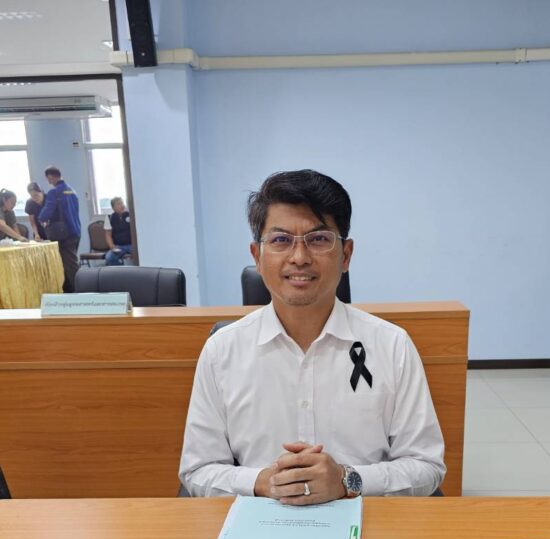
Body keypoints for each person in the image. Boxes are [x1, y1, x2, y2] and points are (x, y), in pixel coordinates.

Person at [179, 169, 446, 502]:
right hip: (257, 521)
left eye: (318, 239)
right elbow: (198, 469)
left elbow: (425, 466)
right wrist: (260, 482)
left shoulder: (391, 345)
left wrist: (347, 480)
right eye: (280, 240)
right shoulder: (222, 350)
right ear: (257, 257)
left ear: (346, 255)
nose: (299, 258)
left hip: (367, 518)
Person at [38, 166, 81, 292]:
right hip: (75, 231)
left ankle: (80, 291)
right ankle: (69, 290)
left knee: (70, 266)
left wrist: (41, 219)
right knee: (70, 262)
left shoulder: (54, 192)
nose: (48, 181)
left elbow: (47, 211)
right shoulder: (72, 191)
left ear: (51, 177)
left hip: (63, 234)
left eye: (48, 178)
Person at [103, 196, 136, 265]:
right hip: (118, 246)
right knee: (109, 258)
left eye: (122, 203)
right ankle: (123, 270)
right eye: (119, 204)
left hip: (132, 245)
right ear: (113, 208)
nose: (122, 205)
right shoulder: (109, 217)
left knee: (141, 255)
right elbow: (108, 235)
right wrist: (112, 246)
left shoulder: (131, 215)